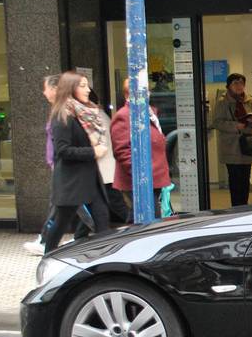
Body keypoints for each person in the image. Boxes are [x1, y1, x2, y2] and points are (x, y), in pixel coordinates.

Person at [42, 71, 111, 253]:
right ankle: (47, 258)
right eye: (82, 86)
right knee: (60, 224)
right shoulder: (62, 115)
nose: (88, 90)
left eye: (87, 85)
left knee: (102, 220)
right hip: (71, 182)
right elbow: (63, 151)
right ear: (70, 89)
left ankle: (106, 264)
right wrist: (93, 151)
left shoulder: (85, 114)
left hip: (90, 179)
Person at [110, 77, 172, 220]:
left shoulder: (148, 113)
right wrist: (141, 175)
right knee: (147, 221)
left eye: (147, 90)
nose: (147, 94)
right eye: (141, 91)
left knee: (143, 220)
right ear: (128, 95)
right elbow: (122, 151)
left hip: (152, 177)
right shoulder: (125, 116)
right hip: (140, 180)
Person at [23, 74, 61, 255]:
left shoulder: (62, 111)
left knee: (59, 204)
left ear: (54, 89)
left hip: (62, 167)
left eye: (45, 88)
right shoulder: (57, 110)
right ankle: (82, 234)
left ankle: (45, 240)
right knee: (67, 205)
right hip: (59, 166)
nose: (43, 92)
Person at [211, 73, 252, 206]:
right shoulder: (223, 102)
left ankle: (244, 206)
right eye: (235, 83)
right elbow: (217, 122)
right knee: (235, 180)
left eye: (241, 83)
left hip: (247, 145)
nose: (239, 86)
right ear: (229, 86)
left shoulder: (249, 100)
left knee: (245, 180)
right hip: (231, 147)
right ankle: (237, 208)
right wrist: (235, 126)